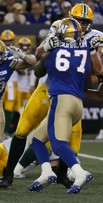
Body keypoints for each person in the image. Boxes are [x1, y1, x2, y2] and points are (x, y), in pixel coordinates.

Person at [0, 3, 103, 189]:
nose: (82, 25)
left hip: (71, 91)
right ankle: (9, 174)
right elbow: (40, 57)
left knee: (73, 138)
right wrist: (47, 46)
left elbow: (97, 71)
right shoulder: (60, 27)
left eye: (86, 22)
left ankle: (61, 174)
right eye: (79, 20)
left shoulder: (96, 38)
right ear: (70, 17)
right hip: (47, 88)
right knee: (22, 131)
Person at [29, 17, 101, 194]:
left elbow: (38, 70)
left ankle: (79, 172)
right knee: (37, 140)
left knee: (58, 144)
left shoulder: (55, 50)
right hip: (77, 103)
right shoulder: (85, 49)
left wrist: (47, 49)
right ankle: (46, 173)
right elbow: (87, 82)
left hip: (61, 100)